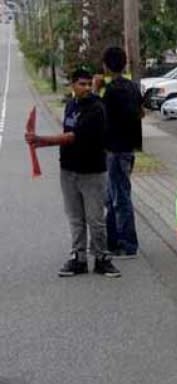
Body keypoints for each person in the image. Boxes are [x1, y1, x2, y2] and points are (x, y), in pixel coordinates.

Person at [25, 68, 121, 278]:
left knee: (95, 218)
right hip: (68, 170)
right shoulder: (70, 105)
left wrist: (41, 139)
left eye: (88, 84)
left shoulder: (97, 108)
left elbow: (72, 137)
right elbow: (66, 134)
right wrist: (38, 144)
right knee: (75, 217)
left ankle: (102, 258)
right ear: (73, 85)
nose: (86, 88)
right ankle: (78, 258)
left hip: (92, 172)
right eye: (81, 84)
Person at [102, 46, 143, 259]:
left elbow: (104, 120)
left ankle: (127, 244)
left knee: (119, 198)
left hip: (115, 149)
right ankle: (113, 241)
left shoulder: (110, 91)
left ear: (106, 66)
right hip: (128, 148)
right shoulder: (133, 88)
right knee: (113, 196)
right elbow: (141, 113)